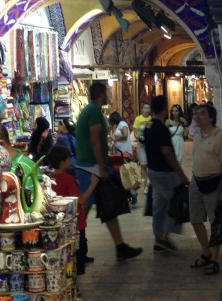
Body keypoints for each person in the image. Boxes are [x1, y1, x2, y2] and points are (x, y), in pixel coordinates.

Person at [74, 81, 142, 261]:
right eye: (107, 93)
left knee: (107, 205)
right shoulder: (95, 111)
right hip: (92, 167)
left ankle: (118, 246)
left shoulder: (87, 111)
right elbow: (96, 140)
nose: (109, 96)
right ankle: (73, 248)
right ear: (101, 94)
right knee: (84, 208)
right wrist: (102, 168)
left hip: (89, 165)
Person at [188, 103, 222, 275]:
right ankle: (206, 251)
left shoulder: (220, 136)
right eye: (197, 113)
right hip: (196, 181)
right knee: (195, 219)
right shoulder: (197, 134)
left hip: (213, 183)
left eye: (202, 114)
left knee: (215, 222)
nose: (197, 116)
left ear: (211, 118)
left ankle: (214, 258)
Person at [144, 94, 188, 254]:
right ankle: (165, 237)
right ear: (163, 109)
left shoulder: (148, 126)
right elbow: (168, 153)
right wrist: (181, 174)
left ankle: (159, 238)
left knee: (159, 206)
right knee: (176, 203)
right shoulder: (161, 129)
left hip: (153, 171)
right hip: (164, 172)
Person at [47, 144, 98, 275]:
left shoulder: (49, 179)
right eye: (69, 159)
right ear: (62, 162)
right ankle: (76, 278)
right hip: (75, 223)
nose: (71, 162)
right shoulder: (69, 180)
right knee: (80, 248)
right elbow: (80, 201)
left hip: (59, 223)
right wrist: (93, 185)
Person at [132, 103, 153, 182]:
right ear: (142, 109)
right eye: (145, 108)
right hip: (141, 145)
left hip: (149, 145)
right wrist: (139, 138)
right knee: (143, 165)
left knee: (150, 165)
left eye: (148, 108)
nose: (147, 110)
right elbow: (135, 132)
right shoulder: (138, 119)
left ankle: (150, 183)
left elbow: (152, 131)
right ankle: (145, 185)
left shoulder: (151, 119)